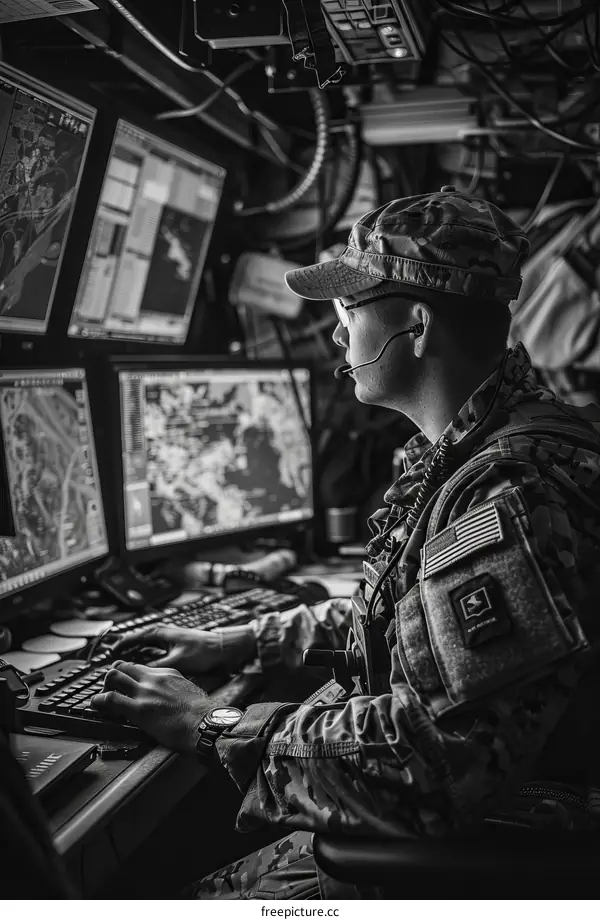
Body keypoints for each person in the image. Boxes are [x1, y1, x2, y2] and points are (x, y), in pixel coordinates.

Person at [92, 187, 600, 899]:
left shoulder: (509, 490)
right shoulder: (482, 446)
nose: (338, 337)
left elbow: (431, 763)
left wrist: (213, 723)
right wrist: (246, 641)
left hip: (483, 850)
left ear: (415, 325)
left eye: (349, 313)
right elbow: (426, 620)